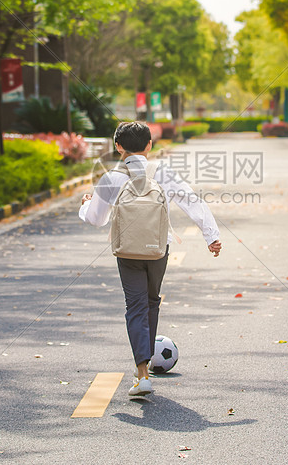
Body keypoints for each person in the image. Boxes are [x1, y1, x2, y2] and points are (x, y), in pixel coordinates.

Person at [79, 121, 222, 396]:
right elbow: (191, 201)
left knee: (135, 305)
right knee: (151, 301)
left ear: (118, 146)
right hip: (158, 249)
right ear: (149, 145)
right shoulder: (162, 173)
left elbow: (96, 219)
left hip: (127, 250)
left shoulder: (111, 177)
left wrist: (85, 204)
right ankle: (144, 364)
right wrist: (211, 236)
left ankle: (142, 373)